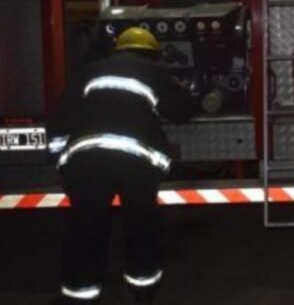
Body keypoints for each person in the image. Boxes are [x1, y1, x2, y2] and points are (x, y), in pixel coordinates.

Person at [48, 27, 198, 304]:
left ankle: (80, 292)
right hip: (135, 161)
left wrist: (59, 163)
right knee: (141, 224)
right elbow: (182, 111)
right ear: (151, 54)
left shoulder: (90, 70)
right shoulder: (154, 72)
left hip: (87, 160)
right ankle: (143, 288)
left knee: (86, 227)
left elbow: (61, 114)